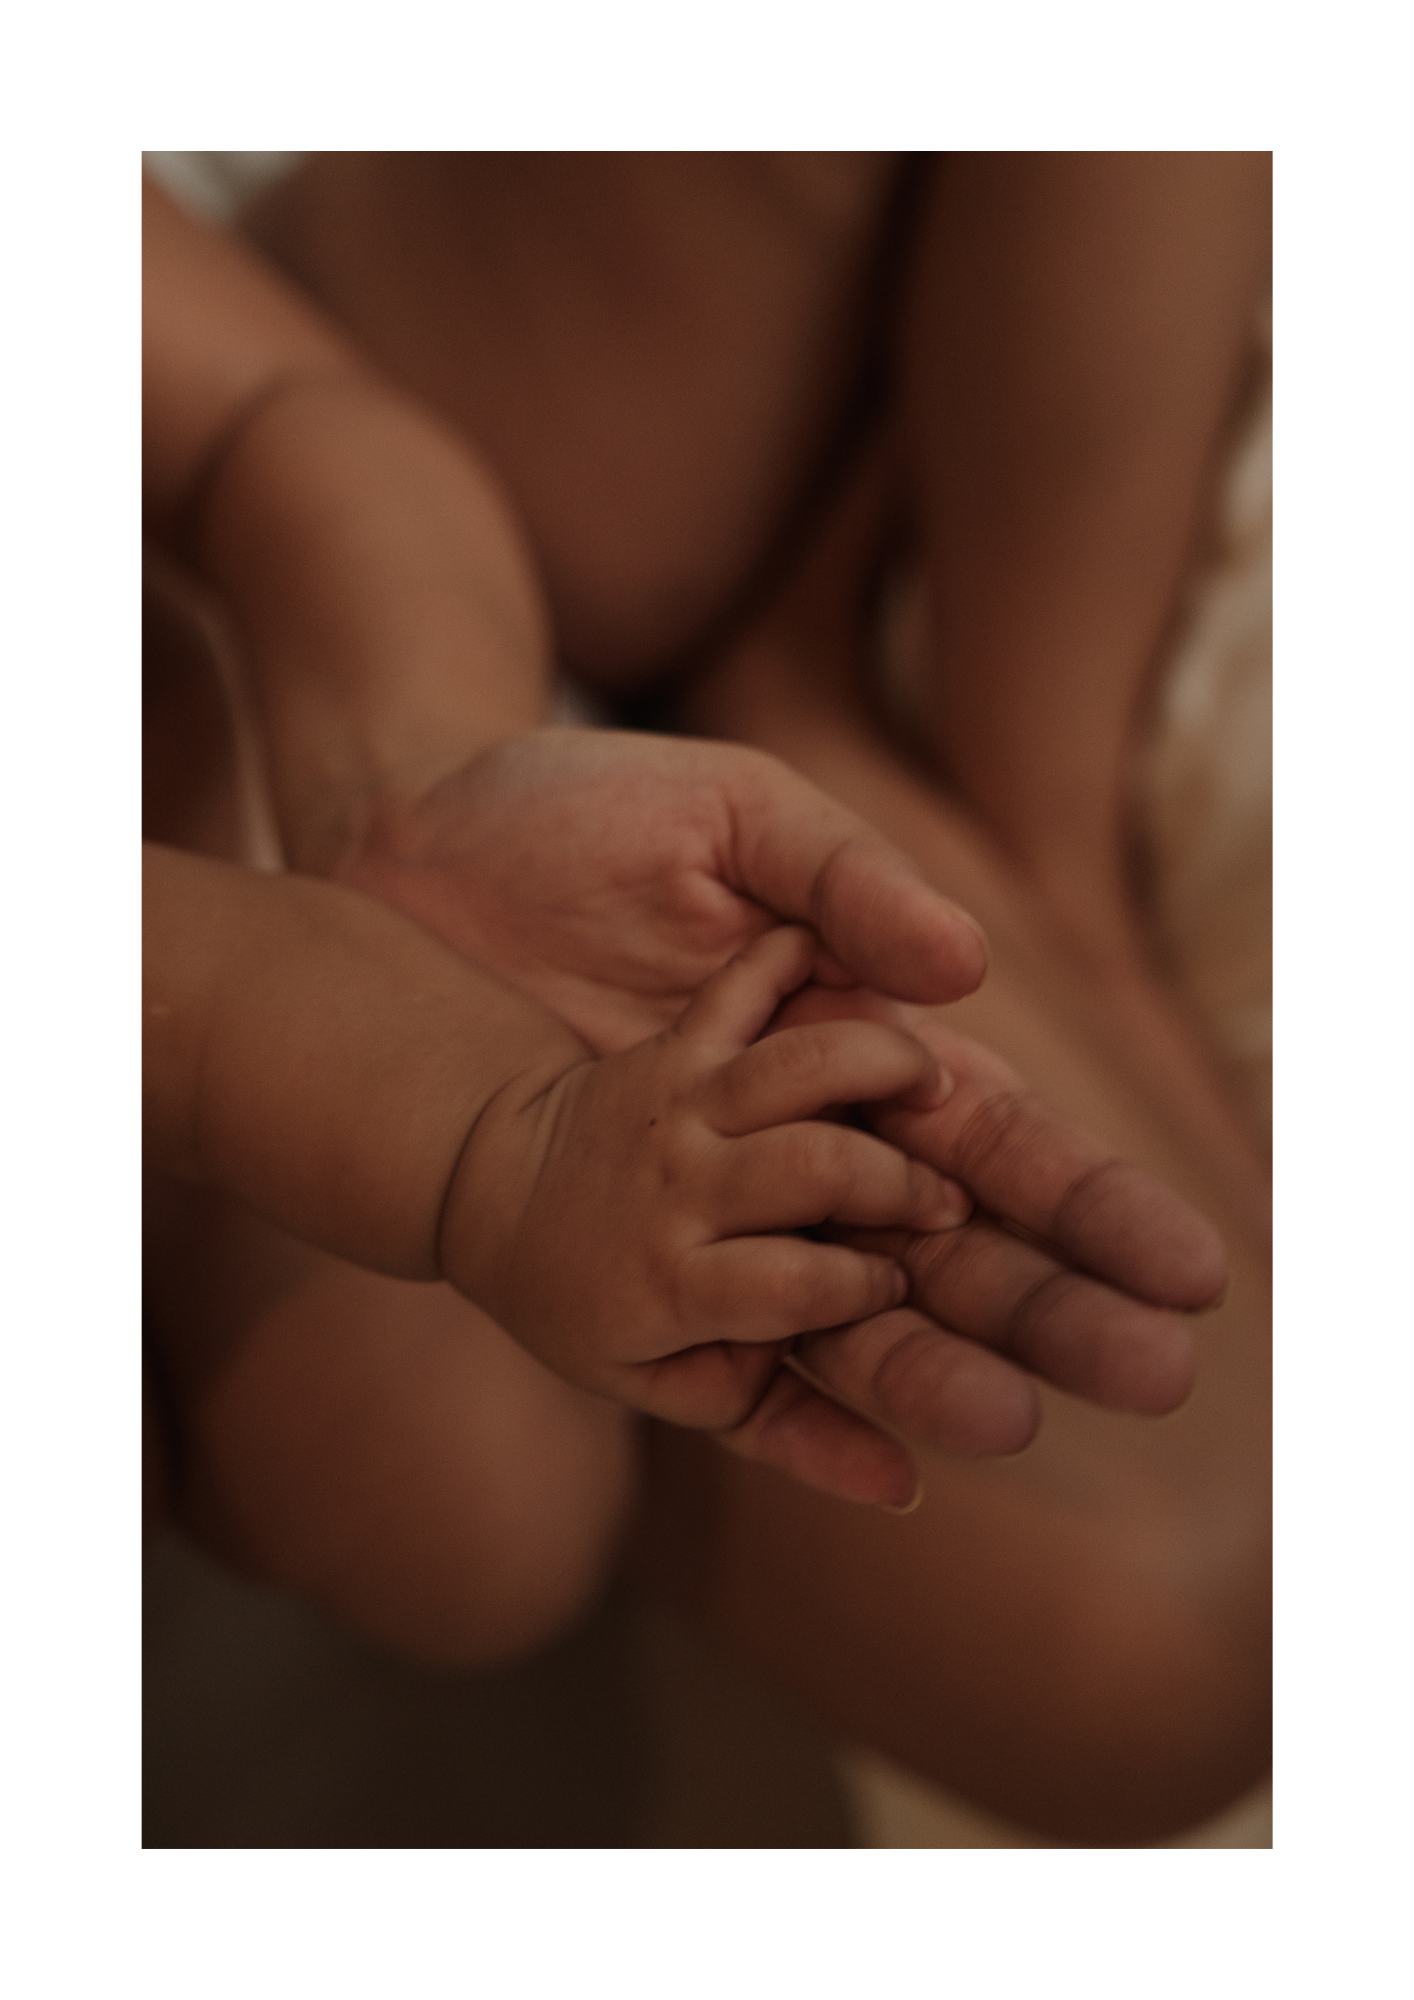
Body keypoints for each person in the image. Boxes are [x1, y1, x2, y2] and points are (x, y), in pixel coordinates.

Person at [143, 153, 1271, 1841]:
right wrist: (471, 1147)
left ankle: (1025, 805)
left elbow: (277, 421)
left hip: (321, 529)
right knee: (1188, 1652)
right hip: (237, 1123)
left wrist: (411, 772)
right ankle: (827, 711)